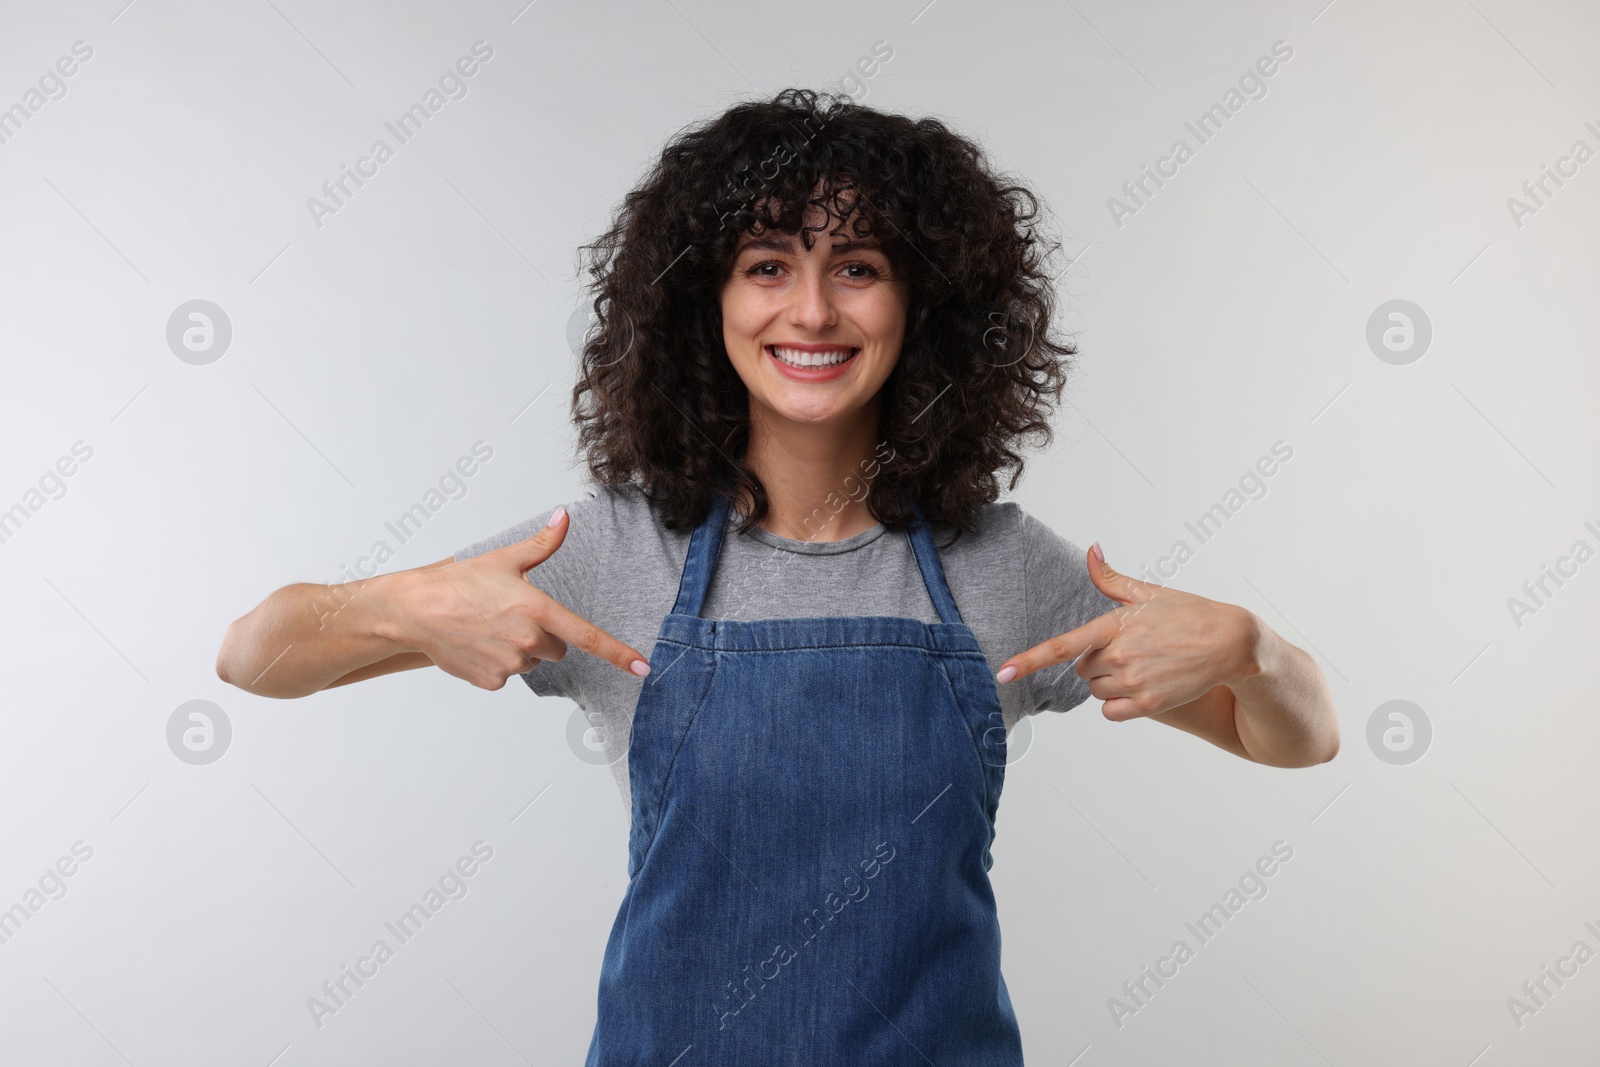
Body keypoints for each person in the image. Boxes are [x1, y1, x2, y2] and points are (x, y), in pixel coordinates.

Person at [216, 87, 1338, 1064]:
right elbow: (255, 654)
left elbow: (1293, 735)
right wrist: (396, 602)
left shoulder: (998, 564)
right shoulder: (612, 550)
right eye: (767, 267)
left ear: (924, 307)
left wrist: (1253, 647)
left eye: (857, 268)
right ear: (704, 306)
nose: (810, 311)